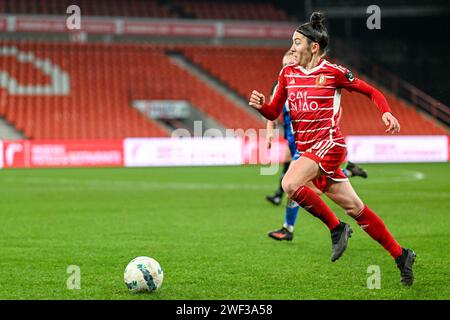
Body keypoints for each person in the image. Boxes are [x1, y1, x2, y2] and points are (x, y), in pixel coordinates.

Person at [249, 12, 415, 286]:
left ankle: (337, 229)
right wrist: (261, 106)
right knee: (356, 208)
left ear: (314, 47)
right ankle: (401, 255)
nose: (293, 47)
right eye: (293, 42)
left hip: (330, 145)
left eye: (297, 42)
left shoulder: (333, 73)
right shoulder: (287, 73)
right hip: (309, 152)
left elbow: (372, 91)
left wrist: (385, 112)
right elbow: (273, 111)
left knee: (289, 182)